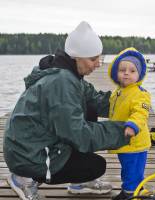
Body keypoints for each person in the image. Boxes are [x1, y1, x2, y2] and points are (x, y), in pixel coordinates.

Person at [3, 21, 130, 200]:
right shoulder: (61, 83)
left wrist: (130, 102)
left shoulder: (69, 73)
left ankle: (79, 183)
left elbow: (95, 99)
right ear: (77, 57)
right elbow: (80, 135)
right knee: (95, 166)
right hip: (28, 155)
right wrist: (122, 131)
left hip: (36, 141)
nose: (98, 64)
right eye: (93, 59)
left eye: (99, 58)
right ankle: (24, 178)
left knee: (90, 107)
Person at [108, 47, 152, 200]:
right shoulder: (119, 91)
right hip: (124, 141)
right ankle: (131, 190)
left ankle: (130, 194)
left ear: (139, 75)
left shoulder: (140, 93)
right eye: (122, 70)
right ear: (116, 73)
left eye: (132, 71)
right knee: (128, 169)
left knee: (132, 170)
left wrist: (132, 125)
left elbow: (140, 112)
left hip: (135, 141)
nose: (126, 73)